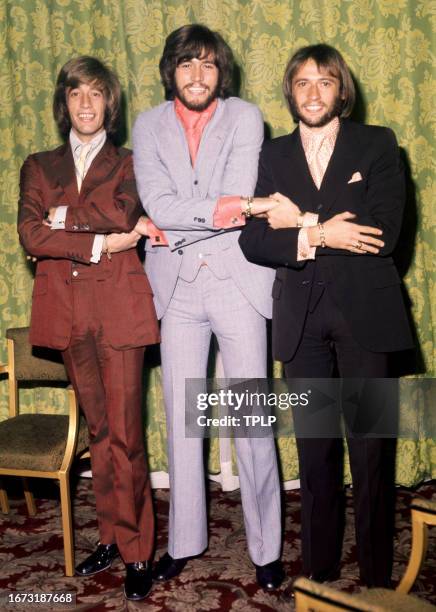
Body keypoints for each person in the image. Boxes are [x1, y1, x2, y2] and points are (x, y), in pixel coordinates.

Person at [239, 44, 413, 587]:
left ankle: (378, 581)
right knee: (315, 458)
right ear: (290, 91)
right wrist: (322, 231)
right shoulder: (272, 154)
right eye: (303, 83)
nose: (314, 93)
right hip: (302, 324)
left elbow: (382, 234)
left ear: (343, 90)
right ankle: (317, 574)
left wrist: (303, 223)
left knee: (371, 456)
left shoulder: (377, 143)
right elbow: (254, 239)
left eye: (326, 81)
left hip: (367, 316)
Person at [132, 24, 284, 590]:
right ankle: (184, 541)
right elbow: (158, 200)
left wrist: (175, 222)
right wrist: (224, 207)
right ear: (171, 70)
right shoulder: (147, 125)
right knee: (181, 422)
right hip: (175, 289)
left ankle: (267, 548)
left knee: (250, 417)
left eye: (208, 65)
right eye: (187, 65)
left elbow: (238, 194)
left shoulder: (245, 117)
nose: (198, 76)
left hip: (237, 281)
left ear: (222, 72)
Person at [17, 56, 159, 601]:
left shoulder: (130, 161)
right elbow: (32, 234)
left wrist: (64, 221)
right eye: (76, 93)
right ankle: (109, 537)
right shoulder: (38, 164)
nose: (85, 104)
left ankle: (138, 550)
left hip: (119, 312)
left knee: (126, 435)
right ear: (64, 103)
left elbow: (123, 213)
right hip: (70, 316)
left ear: (109, 104)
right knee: (98, 433)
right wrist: (96, 239)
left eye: (96, 94)